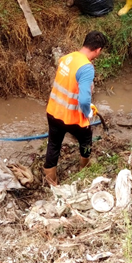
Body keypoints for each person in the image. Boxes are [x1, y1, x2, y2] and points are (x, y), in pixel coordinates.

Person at [44, 31, 108, 186]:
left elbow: (67, 85)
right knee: (86, 140)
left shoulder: (67, 58)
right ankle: (84, 168)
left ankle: (51, 180)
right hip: (71, 117)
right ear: (98, 50)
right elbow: (84, 99)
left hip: (53, 111)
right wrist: (87, 113)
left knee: (53, 144)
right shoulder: (86, 68)